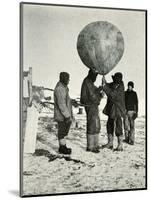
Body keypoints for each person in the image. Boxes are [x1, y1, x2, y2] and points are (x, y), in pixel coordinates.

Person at [80, 69, 103, 153]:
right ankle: (90, 146)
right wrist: (99, 95)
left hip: (92, 106)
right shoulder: (87, 82)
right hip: (90, 105)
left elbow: (94, 92)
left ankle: (95, 145)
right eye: (95, 76)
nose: (95, 78)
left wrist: (99, 91)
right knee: (92, 124)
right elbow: (92, 96)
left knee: (96, 124)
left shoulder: (89, 82)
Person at [102, 72, 126, 151]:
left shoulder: (120, 87)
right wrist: (104, 82)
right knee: (109, 125)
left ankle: (120, 145)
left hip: (118, 110)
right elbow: (108, 86)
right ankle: (110, 143)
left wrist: (104, 86)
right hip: (111, 109)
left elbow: (112, 94)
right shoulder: (115, 84)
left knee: (118, 126)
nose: (114, 79)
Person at [54, 72, 73, 154]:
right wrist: (67, 116)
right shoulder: (60, 88)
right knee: (62, 131)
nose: (69, 80)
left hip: (64, 114)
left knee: (64, 131)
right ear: (63, 78)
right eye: (67, 78)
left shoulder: (63, 87)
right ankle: (62, 148)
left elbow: (66, 100)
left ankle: (63, 146)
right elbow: (61, 104)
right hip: (62, 115)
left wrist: (72, 101)